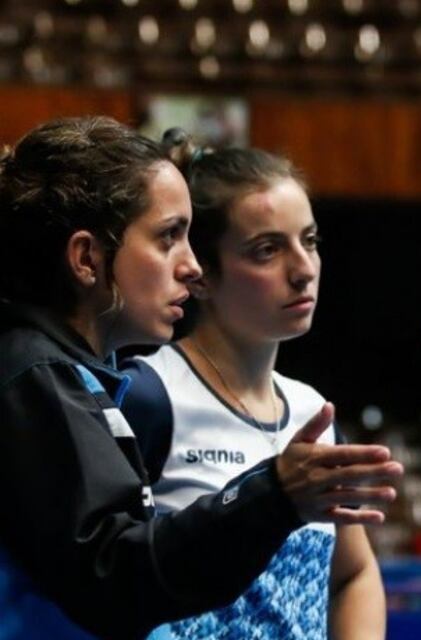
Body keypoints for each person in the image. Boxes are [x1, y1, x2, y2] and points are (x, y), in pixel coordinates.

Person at [0, 117, 402, 640]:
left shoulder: (71, 378)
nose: (190, 266)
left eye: (311, 241)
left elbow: (352, 573)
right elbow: (117, 580)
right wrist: (272, 495)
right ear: (86, 258)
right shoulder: (36, 376)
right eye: (169, 237)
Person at [119, 132, 388, 639]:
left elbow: (354, 574)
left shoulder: (313, 412)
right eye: (267, 250)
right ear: (199, 275)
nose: (304, 270)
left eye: (309, 241)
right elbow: (103, 579)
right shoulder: (149, 396)